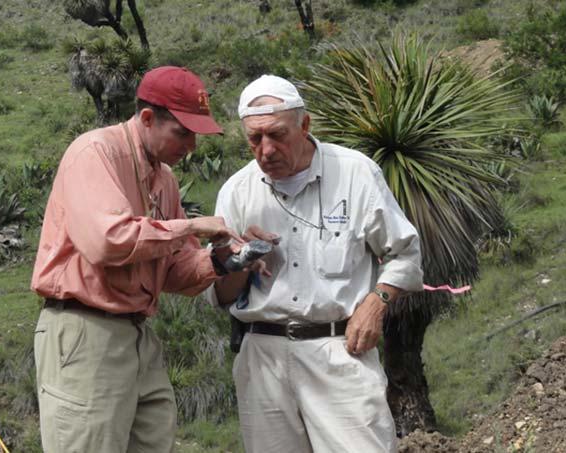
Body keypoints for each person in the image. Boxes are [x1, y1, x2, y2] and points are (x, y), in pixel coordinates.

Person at [31, 66, 242, 453]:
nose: (192, 145)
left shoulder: (166, 179)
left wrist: (227, 258)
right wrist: (188, 225)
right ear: (147, 118)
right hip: (85, 330)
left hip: (137, 334)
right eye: (183, 131)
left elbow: (175, 270)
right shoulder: (95, 152)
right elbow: (107, 242)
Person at [207, 75, 424, 452]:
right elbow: (224, 294)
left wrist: (375, 305)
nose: (266, 150)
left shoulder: (355, 173)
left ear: (304, 125)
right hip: (263, 356)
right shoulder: (237, 191)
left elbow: (404, 253)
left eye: (277, 135)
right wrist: (242, 258)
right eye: (254, 139)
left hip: (339, 351)